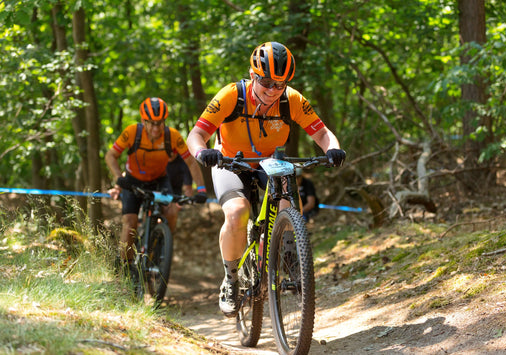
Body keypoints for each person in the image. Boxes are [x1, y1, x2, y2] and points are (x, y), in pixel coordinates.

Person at [186, 41, 346, 317]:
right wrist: (203, 152)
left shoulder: (291, 100)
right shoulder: (230, 96)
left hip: (269, 163)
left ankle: (288, 251)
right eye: (267, 82)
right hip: (229, 162)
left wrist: (332, 148)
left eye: (280, 84)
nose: (273, 90)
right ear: (253, 75)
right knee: (237, 212)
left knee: (287, 204)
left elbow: (322, 133)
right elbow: (195, 135)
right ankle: (231, 280)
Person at [105, 97, 207, 271]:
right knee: (129, 222)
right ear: (143, 121)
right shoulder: (132, 132)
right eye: (151, 123)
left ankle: (161, 244)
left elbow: (190, 162)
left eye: (159, 123)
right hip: (132, 181)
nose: (155, 128)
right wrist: (118, 177)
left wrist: (202, 189)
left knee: (172, 210)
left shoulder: (172, 136)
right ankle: (125, 268)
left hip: (159, 180)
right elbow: (110, 156)